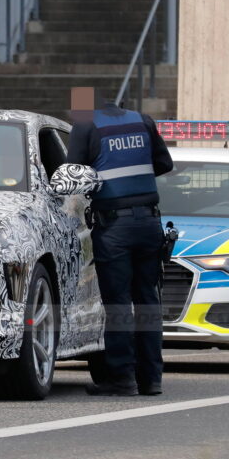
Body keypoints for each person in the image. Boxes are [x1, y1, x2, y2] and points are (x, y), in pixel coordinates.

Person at [66, 87, 173, 396]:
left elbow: (72, 172)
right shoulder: (143, 121)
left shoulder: (86, 126)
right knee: (148, 300)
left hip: (114, 226)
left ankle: (122, 378)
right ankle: (152, 379)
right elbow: (164, 164)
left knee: (118, 304)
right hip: (149, 222)